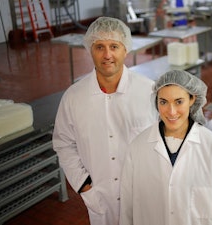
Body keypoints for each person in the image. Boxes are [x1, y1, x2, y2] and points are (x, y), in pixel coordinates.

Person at [52, 17, 158, 225]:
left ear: (125, 50)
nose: (107, 55)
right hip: (100, 199)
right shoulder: (74, 97)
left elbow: (166, 140)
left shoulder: (149, 91)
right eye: (99, 46)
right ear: (90, 50)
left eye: (114, 46)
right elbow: (63, 143)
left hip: (144, 195)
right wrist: (84, 185)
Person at [120, 70, 212, 225]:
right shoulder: (138, 147)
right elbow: (127, 207)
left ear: (192, 99)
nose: (171, 111)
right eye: (163, 102)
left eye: (178, 101)